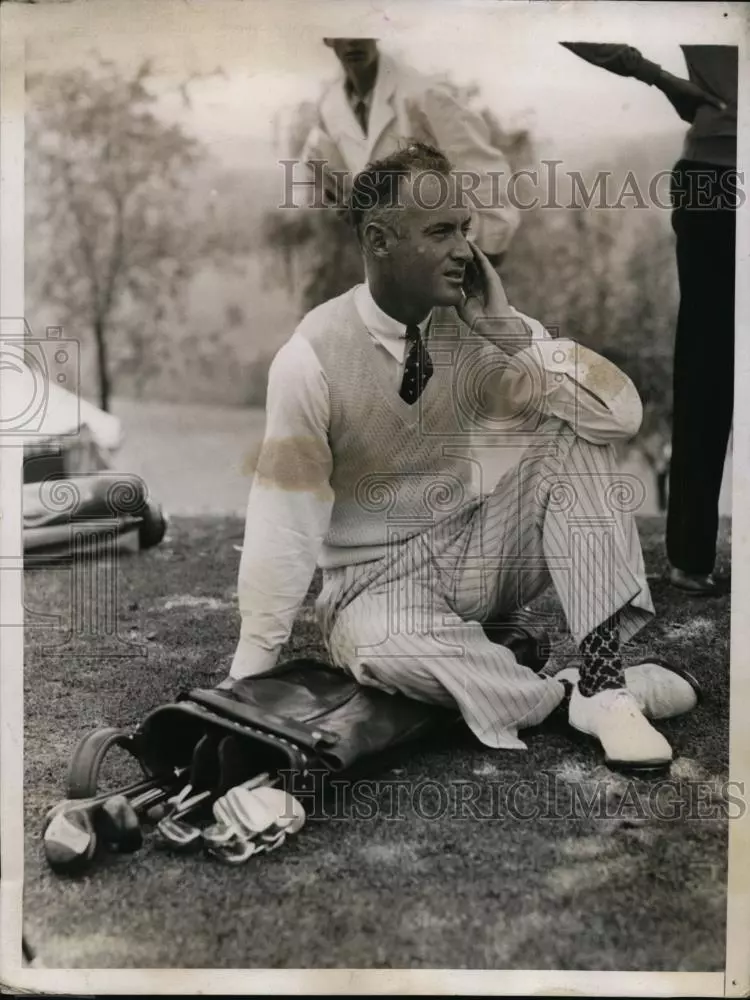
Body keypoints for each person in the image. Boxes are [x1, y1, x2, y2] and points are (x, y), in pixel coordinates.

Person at [226, 141, 699, 770]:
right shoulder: (309, 357)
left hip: (471, 550)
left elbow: (620, 417)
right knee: (384, 651)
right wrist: (246, 682)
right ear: (378, 240)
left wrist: (509, 335)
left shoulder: (475, 322)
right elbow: (284, 519)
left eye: (465, 230)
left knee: (571, 431)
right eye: (441, 231)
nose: (464, 251)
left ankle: (606, 683)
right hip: (372, 587)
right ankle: (566, 695)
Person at [562, 43, 737, 595]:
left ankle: (689, 559)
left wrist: (661, 78)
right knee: (709, 360)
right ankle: (688, 558)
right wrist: (660, 78)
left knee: (706, 360)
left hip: (709, 172)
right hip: (718, 173)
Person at [298, 38, 520, 268]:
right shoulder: (332, 106)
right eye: (342, 31)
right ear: (328, 38)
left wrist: (480, 254)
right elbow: (321, 168)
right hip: (394, 263)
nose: (353, 41)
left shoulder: (423, 92)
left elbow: (485, 173)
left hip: (454, 256)